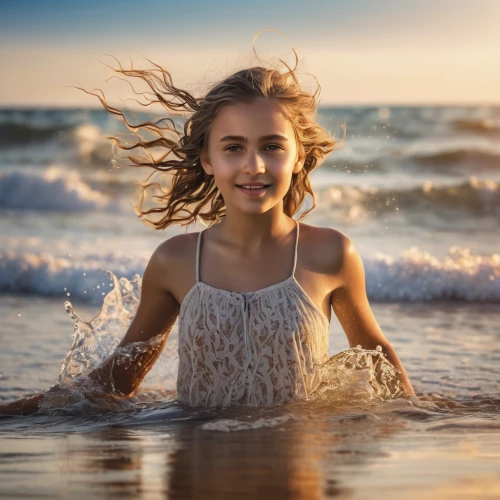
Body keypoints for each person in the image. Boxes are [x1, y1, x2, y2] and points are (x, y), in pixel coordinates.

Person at [0, 55, 415, 416]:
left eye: (272, 147)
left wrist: (428, 420)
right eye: (233, 148)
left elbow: (378, 361)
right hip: (196, 461)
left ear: (299, 156)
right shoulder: (175, 262)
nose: (253, 165)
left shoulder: (331, 254)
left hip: (294, 468)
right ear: (208, 159)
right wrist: (17, 411)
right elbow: (116, 382)